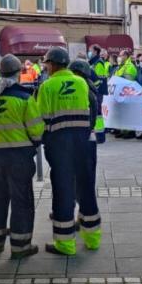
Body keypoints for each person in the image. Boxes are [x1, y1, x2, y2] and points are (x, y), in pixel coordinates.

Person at [0, 54, 43, 259]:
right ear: (18, 74)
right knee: (21, 201)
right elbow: (37, 131)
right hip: (19, 158)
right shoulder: (24, 99)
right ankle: (20, 247)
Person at [37, 46, 92, 256]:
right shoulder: (81, 83)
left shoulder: (47, 86)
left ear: (51, 64)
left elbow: (41, 119)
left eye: (46, 64)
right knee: (83, 187)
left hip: (59, 146)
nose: (46, 68)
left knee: (62, 191)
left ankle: (65, 243)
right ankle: (91, 237)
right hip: (82, 143)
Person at [69, 59, 105, 250]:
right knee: (83, 185)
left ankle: (84, 222)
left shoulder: (85, 91)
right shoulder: (90, 89)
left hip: (81, 143)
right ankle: (82, 220)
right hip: (89, 143)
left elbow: (88, 120)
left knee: (82, 186)